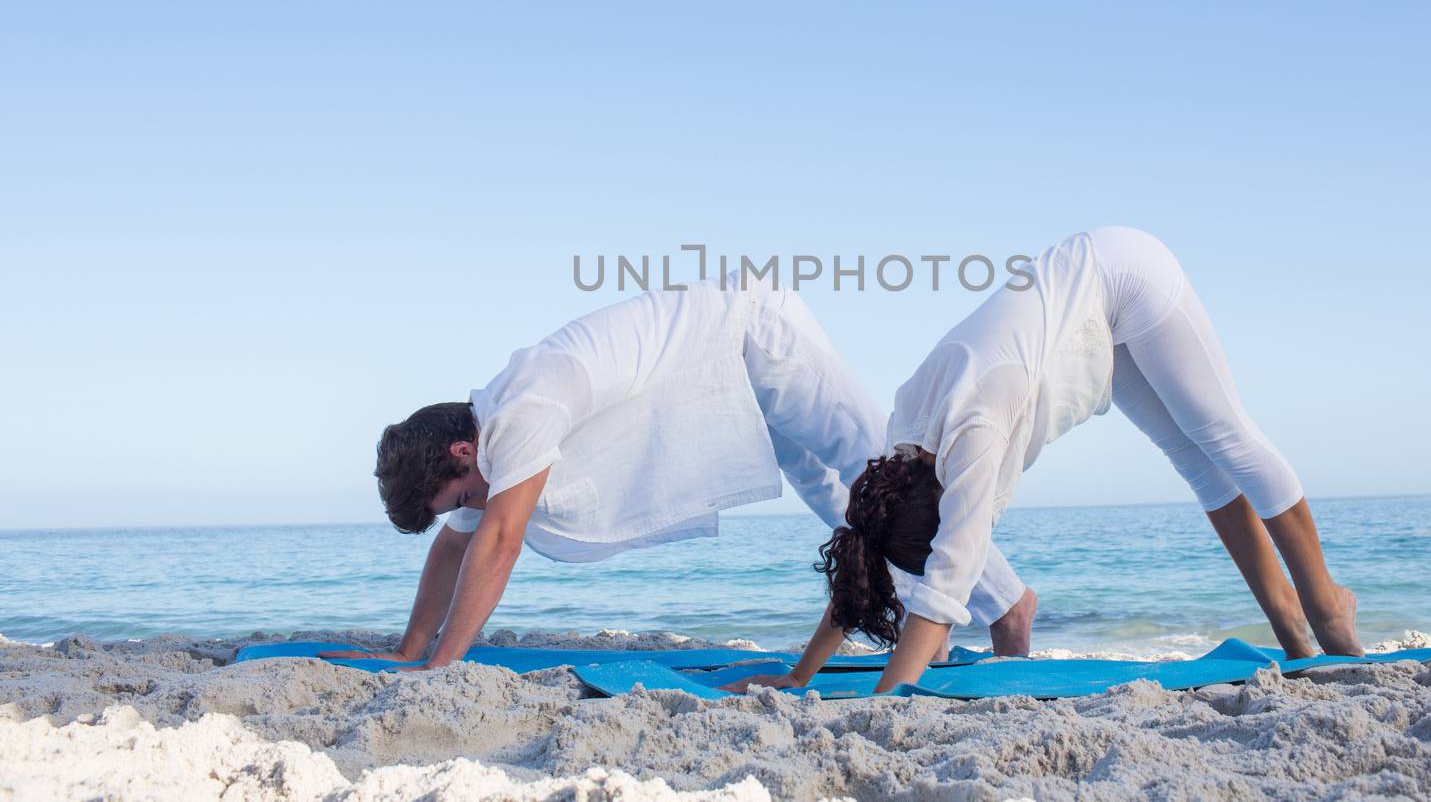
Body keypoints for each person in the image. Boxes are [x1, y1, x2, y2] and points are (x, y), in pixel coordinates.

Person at [725, 226, 1360, 695]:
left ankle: (1325, 603)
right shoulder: (901, 451)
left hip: (1122, 274)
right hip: (1081, 312)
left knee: (1226, 438)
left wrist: (886, 698)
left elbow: (947, 580)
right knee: (1194, 462)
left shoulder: (974, 435)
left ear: (947, 502)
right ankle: (1288, 624)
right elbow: (866, 549)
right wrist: (800, 676)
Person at [321, 275, 1035, 669]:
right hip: (727, 380)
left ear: (460, 453)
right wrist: (411, 649)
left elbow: (498, 540)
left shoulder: (522, 411)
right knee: (843, 499)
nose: (470, 505)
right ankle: (928, 618)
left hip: (761, 339)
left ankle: (1006, 604)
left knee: (878, 477)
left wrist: (444, 665)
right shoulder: (494, 432)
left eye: (460, 495)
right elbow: (458, 544)